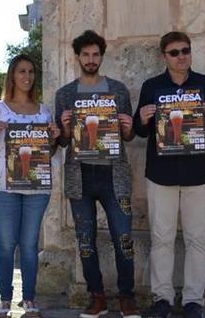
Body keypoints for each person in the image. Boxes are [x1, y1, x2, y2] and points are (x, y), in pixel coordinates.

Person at [134, 32, 205, 318]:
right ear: (164, 56)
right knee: (161, 238)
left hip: (198, 174)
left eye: (185, 51)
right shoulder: (151, 86)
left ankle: (193, 302)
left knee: (197, 239)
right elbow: (139, 133)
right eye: (174, 52)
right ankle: (162, 298)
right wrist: (142, 118)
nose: (181, 56)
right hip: (160, 174)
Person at [54, 30, 139, 318]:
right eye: (86, 55)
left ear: (101, 56)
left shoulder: (117, 90)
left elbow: (127, 136)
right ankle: (97, 296)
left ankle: (127, 296)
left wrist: (127, 128)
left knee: (123, 237)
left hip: (114, 175)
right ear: (77, 56)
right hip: (80, 176)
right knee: (86, 240)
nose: (91, 60)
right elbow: (63, 142)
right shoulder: (64, 94)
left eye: (96, 55)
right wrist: (64, 128)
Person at [0, 54, 61, 318]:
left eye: (31, 72)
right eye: (22, 71)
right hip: (3, 189)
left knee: (29, 245)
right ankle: (4, 299)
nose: (27, 76)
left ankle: (29, 299)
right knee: (5, 244)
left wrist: (55, 138)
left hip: (36, 188)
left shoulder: (43, 110)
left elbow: (48, 152)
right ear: (12, 76)